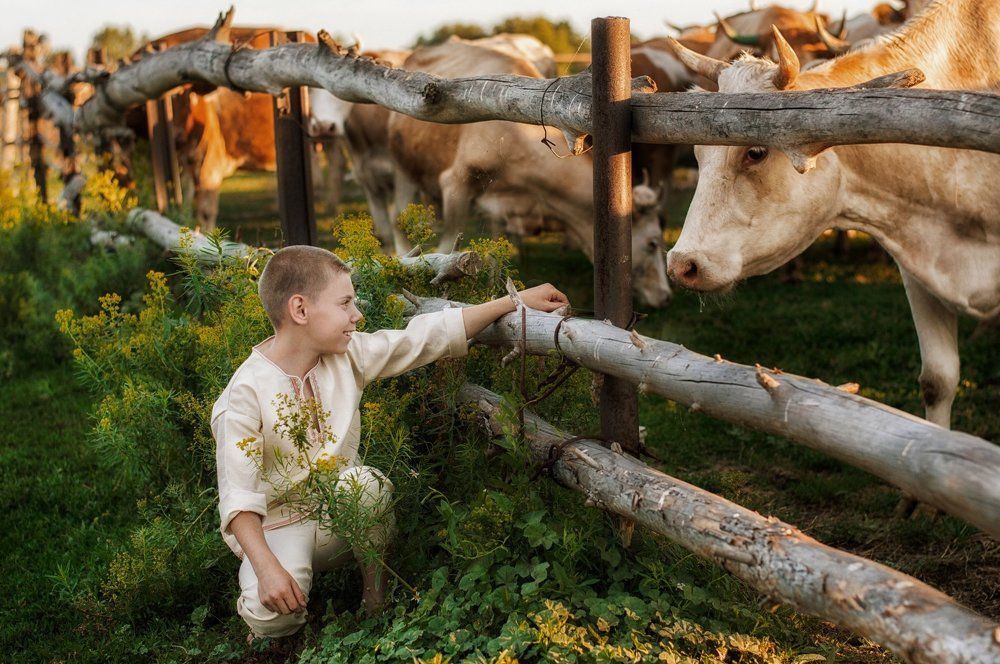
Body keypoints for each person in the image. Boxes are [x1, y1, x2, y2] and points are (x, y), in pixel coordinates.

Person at [212, 244, 569, 640]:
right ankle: (272, 630)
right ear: (300, 310)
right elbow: (239, 499)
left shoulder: (348, 355)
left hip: (339, 514)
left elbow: (423, 337)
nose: (357, 316)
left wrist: (512, 301)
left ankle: (374, 598)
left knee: (366, 486)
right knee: (270, 616)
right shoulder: (242, 395)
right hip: (277, 529)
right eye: (345, 303)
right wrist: (267, 569)